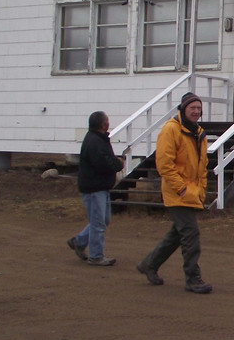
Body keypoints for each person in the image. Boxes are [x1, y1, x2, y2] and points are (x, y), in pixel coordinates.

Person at [136, 91, 213, 294]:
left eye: (198, 108)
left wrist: (201, 189)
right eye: (192, 108)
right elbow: (164, 164)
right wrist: (181, 188)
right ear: (183, 109)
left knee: (177, 235)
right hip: (177, 192)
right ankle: (193, 278)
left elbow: (202, 166)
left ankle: (149, 264)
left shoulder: (199, 133)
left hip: (191, 192)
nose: (196, 111)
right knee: (190, 234)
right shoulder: (171, 130)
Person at [67, 110, 124, 266]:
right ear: (103, 124)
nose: (109, 123)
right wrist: (118, 164)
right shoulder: (95, 142)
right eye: (107, 121)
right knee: (99, 222)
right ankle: (96, 256)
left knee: (102, 220)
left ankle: (79, 241)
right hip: (94, 188)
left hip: (100, 187)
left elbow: (106, 160)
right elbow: (103, 164)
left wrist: (115, 162)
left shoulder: (99, 139)